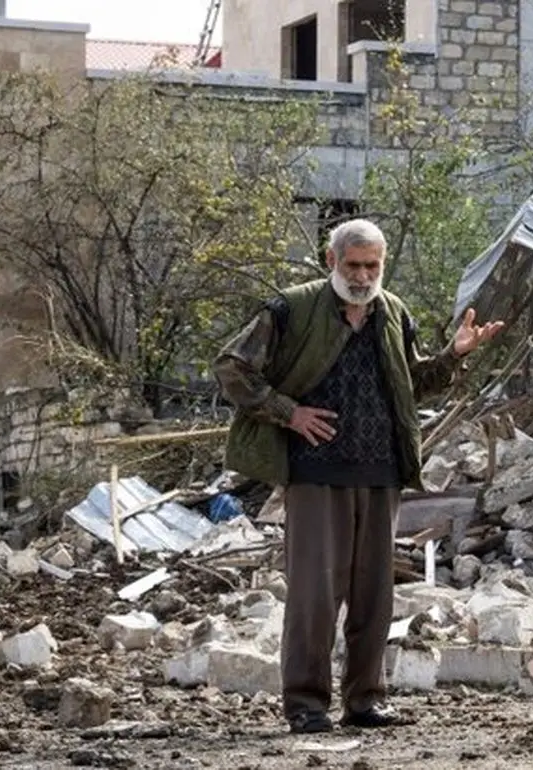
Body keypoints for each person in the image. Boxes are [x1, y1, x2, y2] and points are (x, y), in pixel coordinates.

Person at [212, 218, 503, 734]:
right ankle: (305, 704)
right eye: (354, 265)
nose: (364, 276)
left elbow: (413, 383)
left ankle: (365, 700)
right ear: (331, 261)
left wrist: (455, 356)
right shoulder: (290, 309)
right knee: (314, 595)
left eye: (373, 265)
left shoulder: (392, 313)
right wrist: (288, 411)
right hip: (316, 473)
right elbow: (231, 367)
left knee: (374, 595)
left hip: (380, 472)